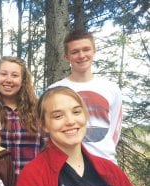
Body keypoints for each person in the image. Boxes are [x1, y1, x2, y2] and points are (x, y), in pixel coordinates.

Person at [12, 86, 148, 186]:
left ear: (85, 116)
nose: (70, 121)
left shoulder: (111, 171)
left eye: (76, 112)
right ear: (44, 125)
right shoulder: (34, 177)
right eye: (58, 116)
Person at [48, 29, 122, 164]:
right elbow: (50, 129)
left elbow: (115, 130)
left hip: (105, 162)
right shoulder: (53, 91)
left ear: (94, 51)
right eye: (75, 52)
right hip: (66, 165)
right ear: (66, 57)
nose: (81, 55)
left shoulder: (111, 89)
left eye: (86, 49)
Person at [0, 56, 47, 175]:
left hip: (31, 180)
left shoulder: (37, 110)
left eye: (15, 75)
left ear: (23, 82)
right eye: (4, 74)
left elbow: (46, 147)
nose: (8, 79)